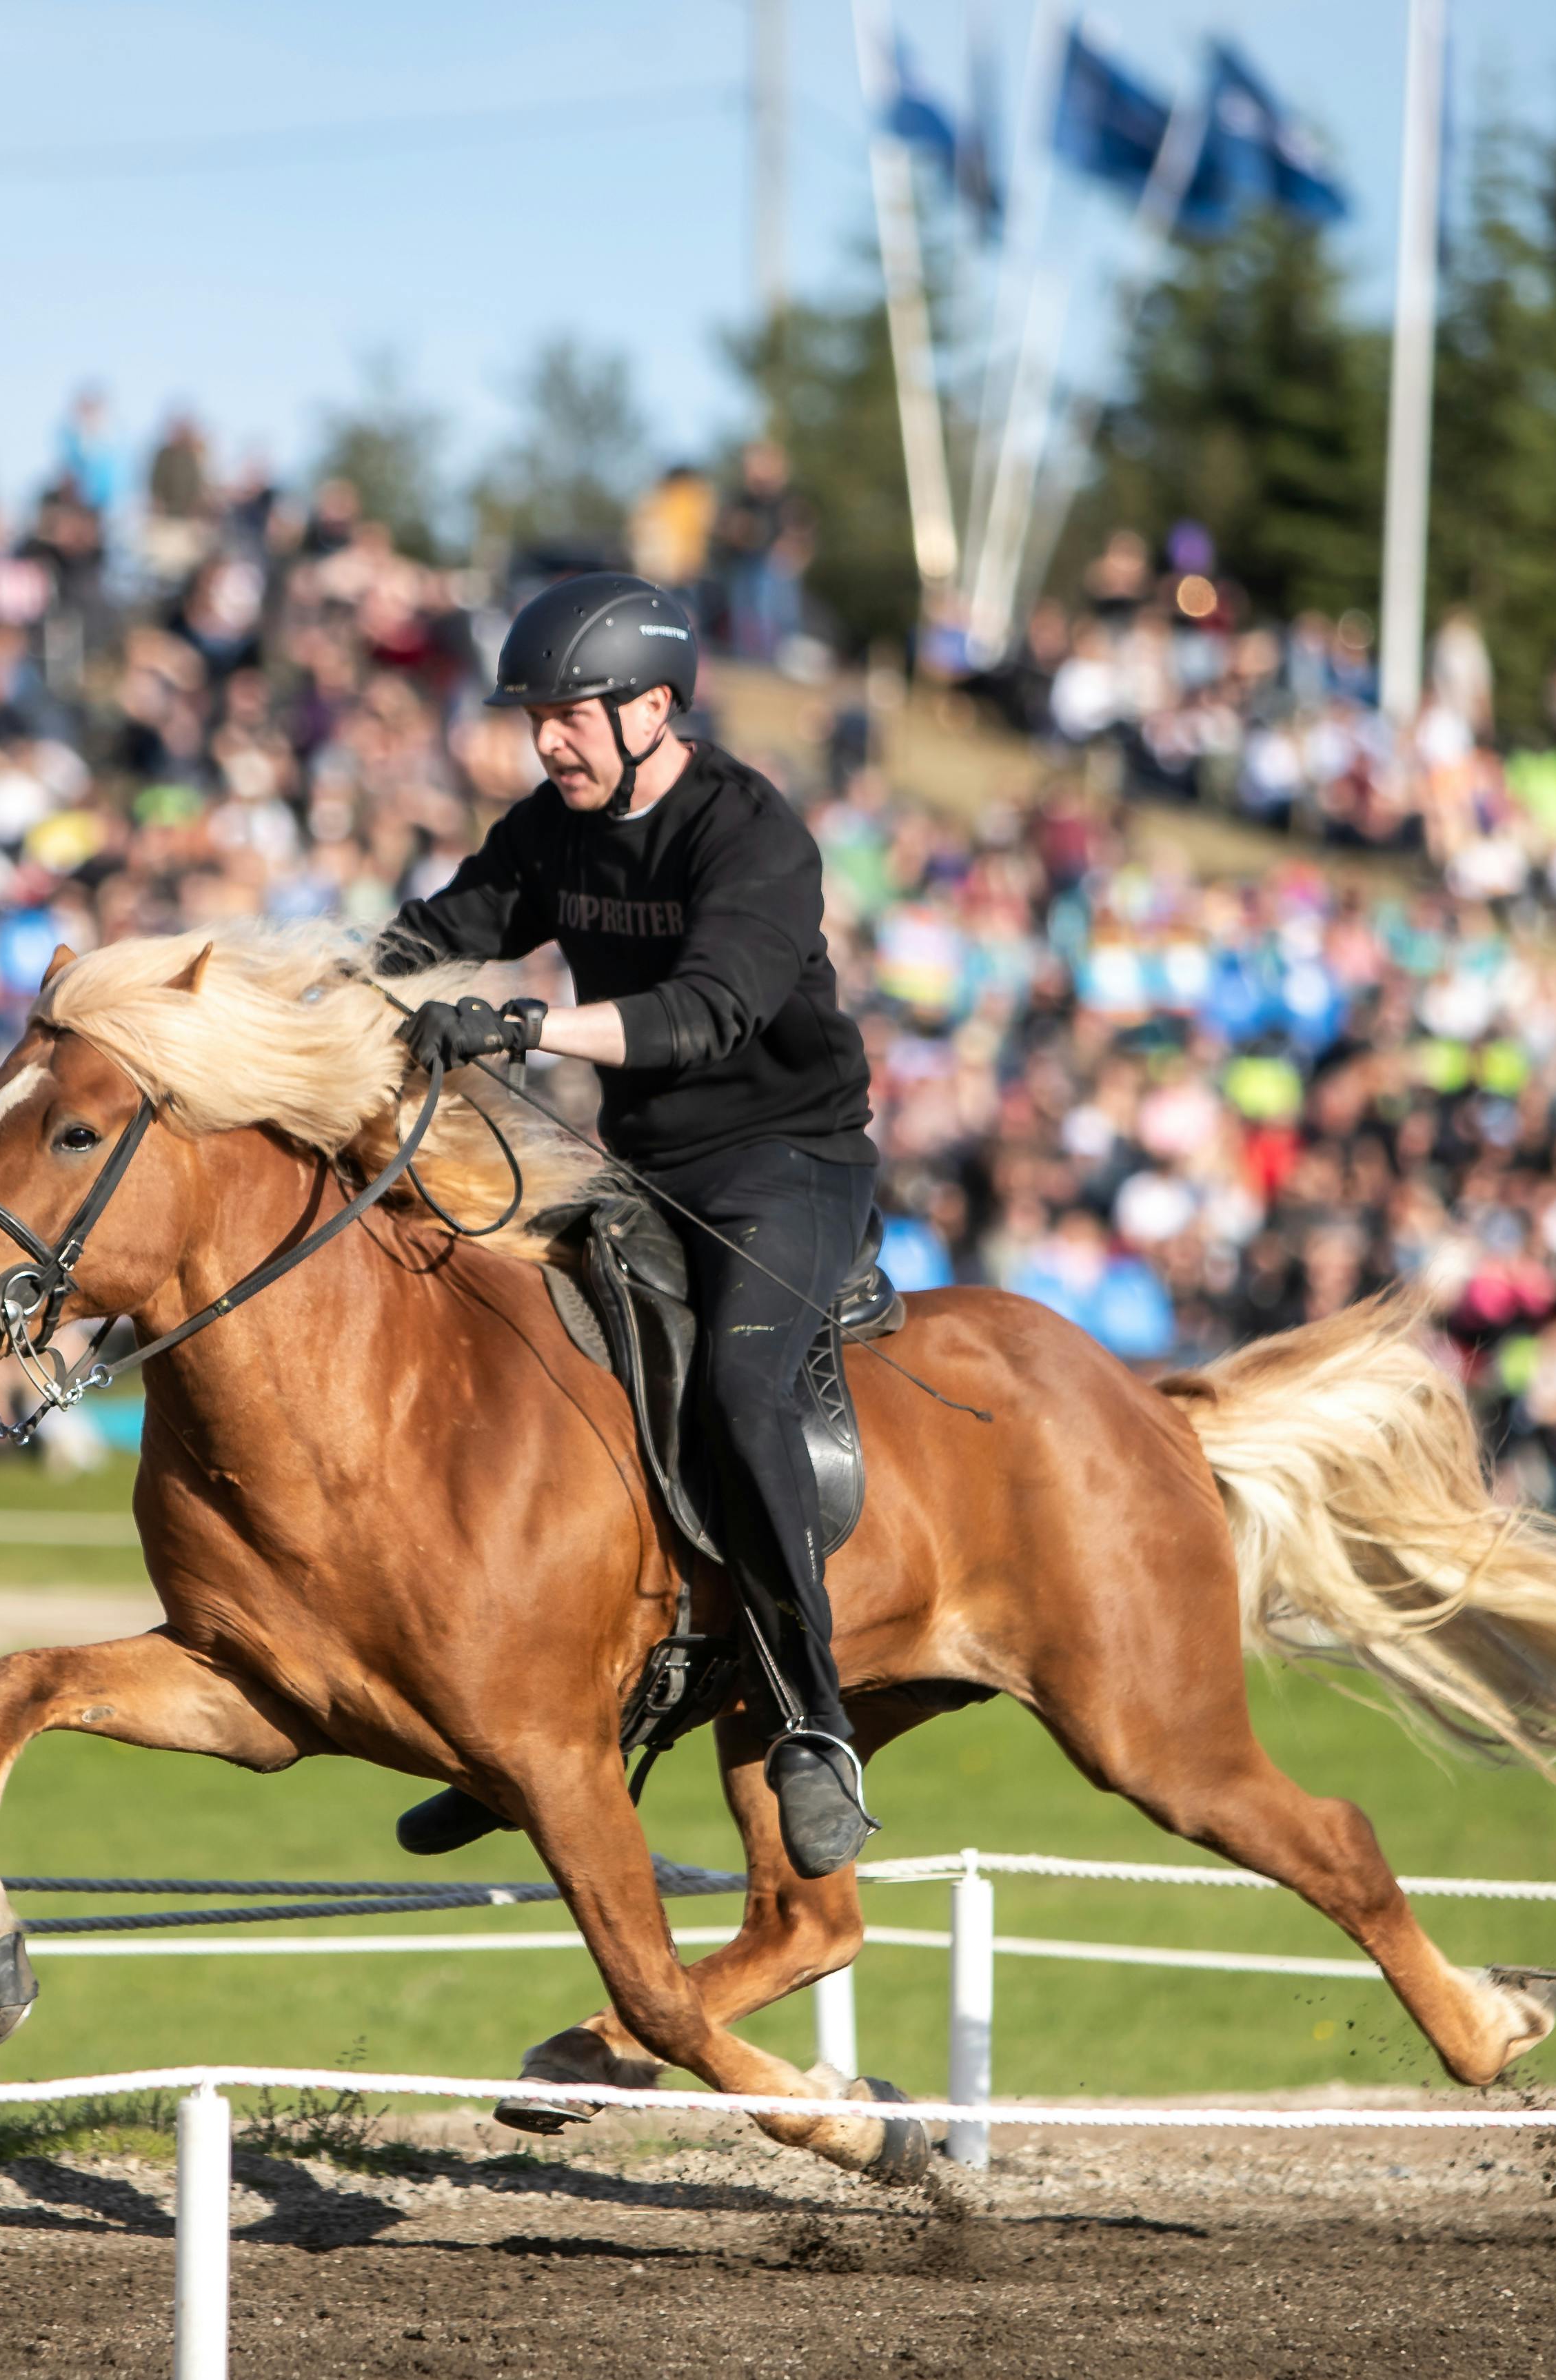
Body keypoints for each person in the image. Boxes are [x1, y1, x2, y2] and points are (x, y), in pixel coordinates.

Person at [374, 572, 884, 1877]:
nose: (546, 739)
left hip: (787, 1163)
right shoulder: (554, 826)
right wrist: (311, 991)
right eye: (536, 716)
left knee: (739, 1378)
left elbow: (704, 1013)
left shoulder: (753, 833)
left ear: (656, 707)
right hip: (645, 1163)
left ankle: (816, 1718)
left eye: (570, 714)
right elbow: (441, 931)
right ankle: (533, 1716)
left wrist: (529, 1025)